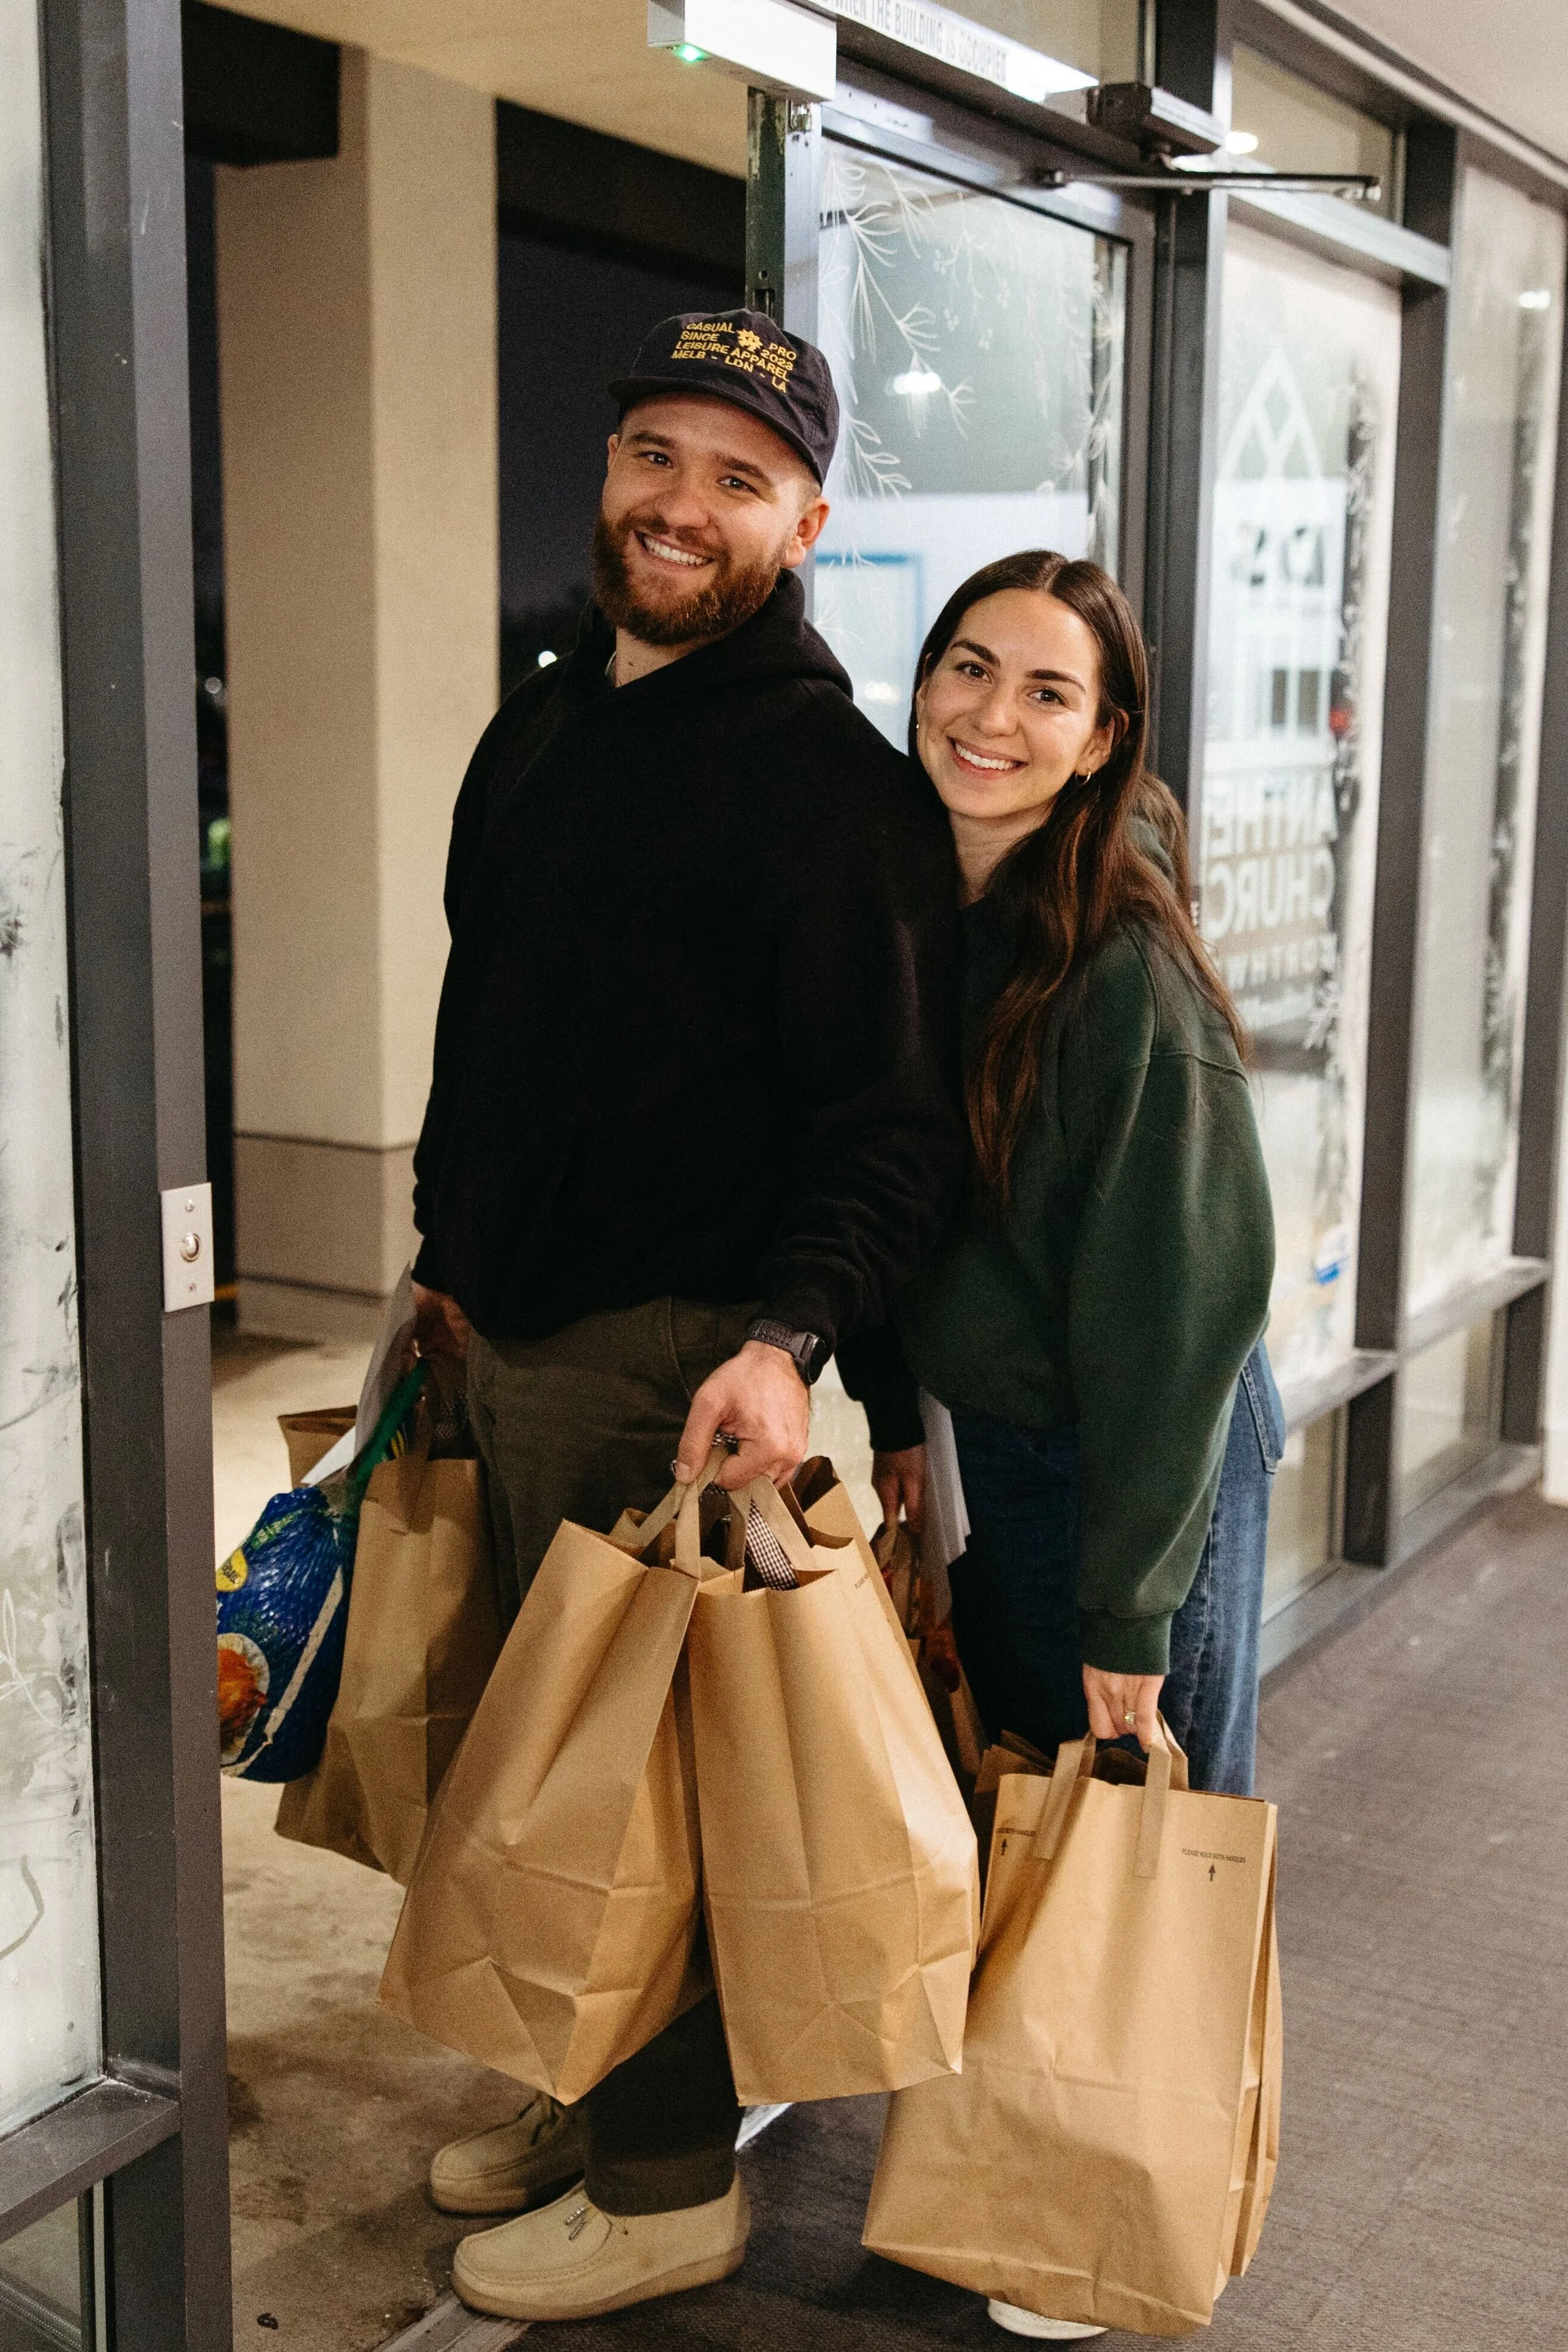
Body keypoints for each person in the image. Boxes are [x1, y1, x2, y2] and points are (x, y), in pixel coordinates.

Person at [405, 307, 965, 2324]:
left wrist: (787, 1345)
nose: (683, 504)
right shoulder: (545, 719)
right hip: (512, 1327)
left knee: (634, 1776)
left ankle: (663, 2186)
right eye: (659, 455)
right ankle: (580, 2086)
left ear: (805, 519)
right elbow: (488, 1031)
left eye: (740, 478)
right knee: (537, 1765)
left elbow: (887, 1131)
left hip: (677, 1363)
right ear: (611, 466)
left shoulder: (832, 792)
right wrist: (432, 1248)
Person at [839, 552, 1278, 2340]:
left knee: (1131, 1822)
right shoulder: (935, 920)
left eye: (1044, 694)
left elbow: (1178, 1321)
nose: (988, 717)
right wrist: (891, 1419)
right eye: (965, 668)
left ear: (1104, 744)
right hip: (1001, 1437)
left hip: (1135, 1453)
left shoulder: (1117, 976)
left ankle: (1117, 2199)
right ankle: (1026, 2160)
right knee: (1032, 1813)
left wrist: (1128, 1611)